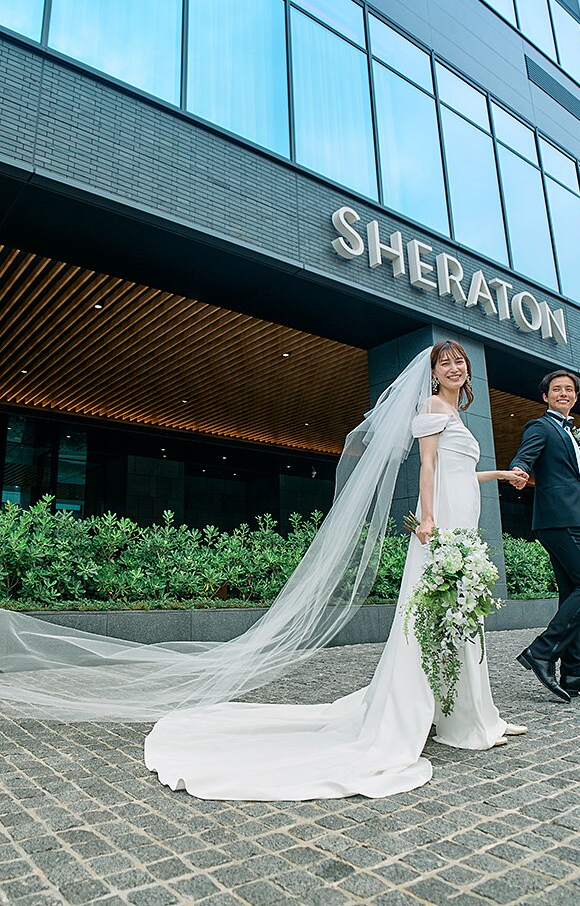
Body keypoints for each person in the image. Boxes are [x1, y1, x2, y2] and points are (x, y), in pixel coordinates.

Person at [142, 340, 527, 799]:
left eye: (460, 362)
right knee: (435, 617)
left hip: (465, 518)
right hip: (441, 523)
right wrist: (428, 521)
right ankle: (462, 720)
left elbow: (458, 470)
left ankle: (478, 715)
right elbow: (427, 467)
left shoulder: (455, 413)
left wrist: (500, 476)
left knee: (462, 616)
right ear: (433, 372)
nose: (455, 367)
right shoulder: (429, 405)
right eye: (446, 362)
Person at [509, 369, 580, 701]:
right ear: (545, 397)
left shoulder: (573, 434)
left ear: (575, 397)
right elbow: (525, 456)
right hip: (558, 521)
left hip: (573, 519)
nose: (562, 393)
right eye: (556, 389)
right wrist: (520, 470)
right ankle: (541, 651)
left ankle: (573, 672)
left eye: (568, 389)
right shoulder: (540, 426)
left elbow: (575, 486)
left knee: (573, 592)